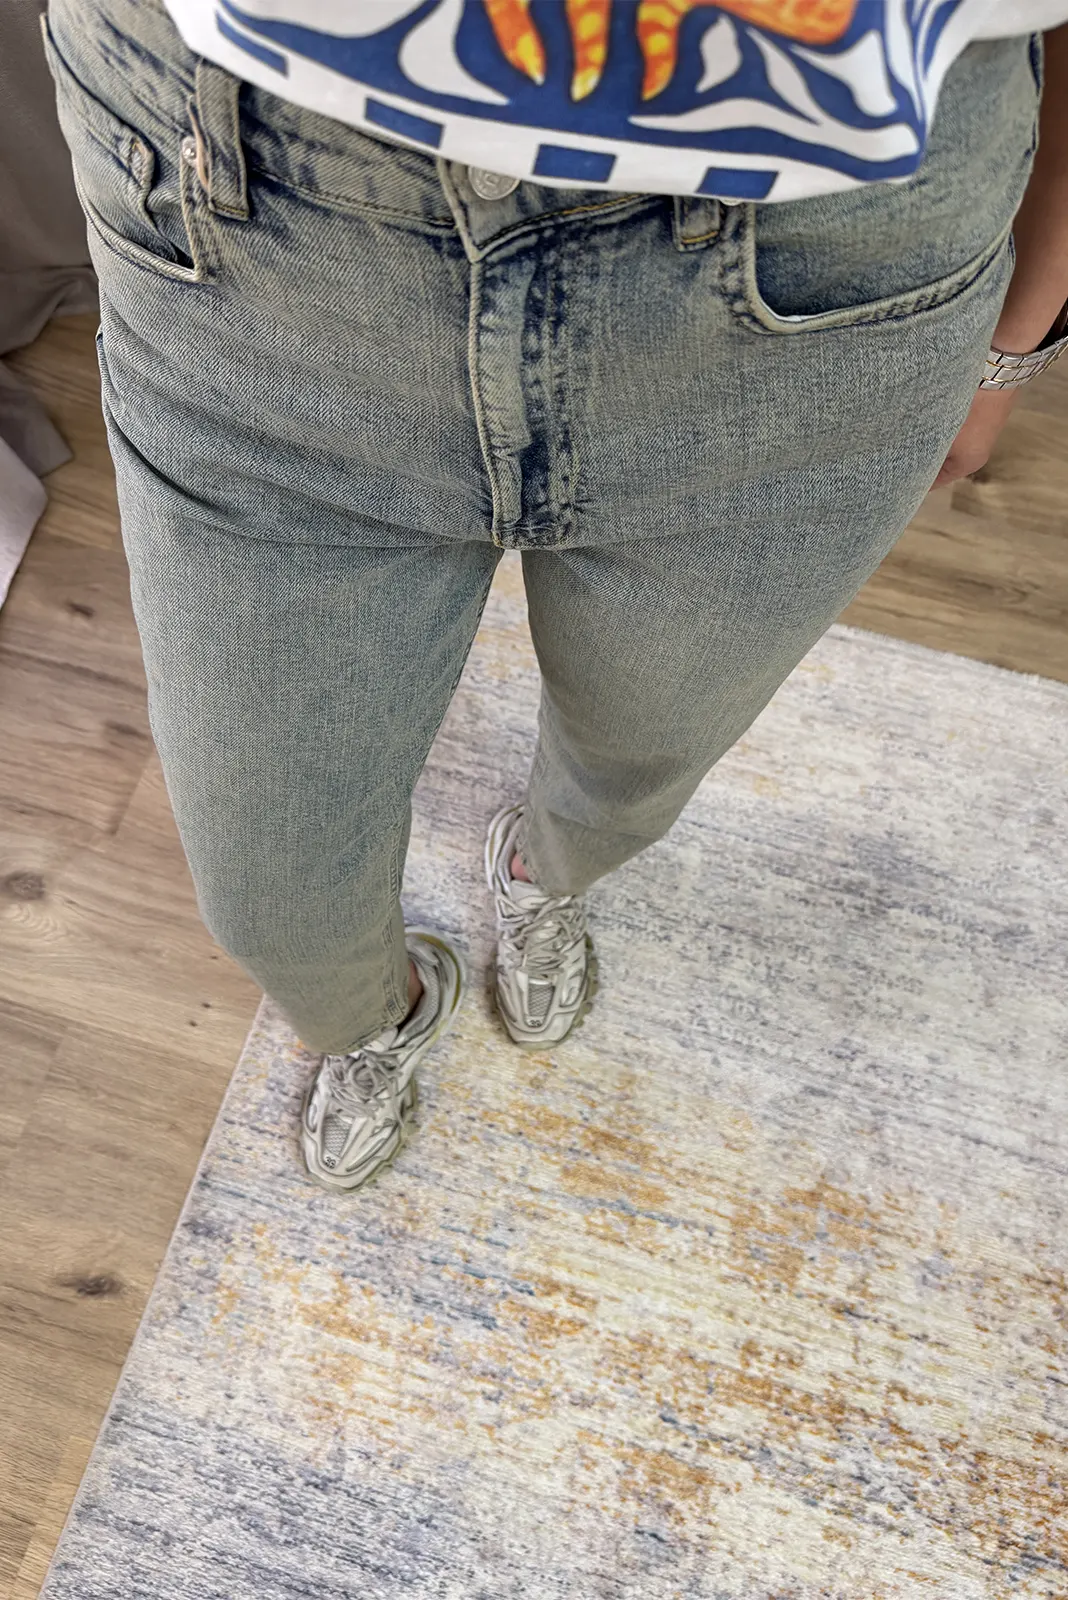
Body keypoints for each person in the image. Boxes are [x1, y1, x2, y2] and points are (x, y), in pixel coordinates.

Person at [44, 0, 1068, 1195]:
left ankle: (544, 873)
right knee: (267, 882)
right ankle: (372, 1016)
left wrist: (1022, 332)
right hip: (247, 214)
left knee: (643, 754)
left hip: (827, 264)